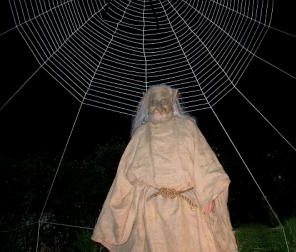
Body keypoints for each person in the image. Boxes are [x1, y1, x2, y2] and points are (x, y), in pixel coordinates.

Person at [91, 84, 238, 251]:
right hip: (152, 213)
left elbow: (205, 163)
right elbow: (124, 177)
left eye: (164, 101)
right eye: (154, 102)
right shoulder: (141, 135)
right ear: (147, 105)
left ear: (172, 102)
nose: (159, 106)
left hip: (188, 210)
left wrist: (208, 195)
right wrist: (115, 215)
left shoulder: (188, 128)